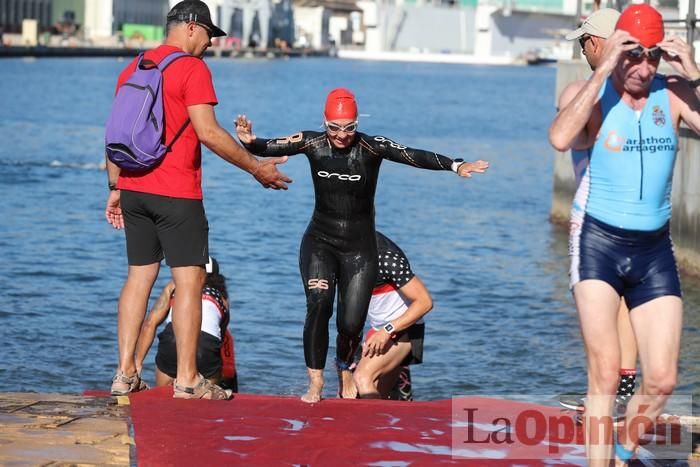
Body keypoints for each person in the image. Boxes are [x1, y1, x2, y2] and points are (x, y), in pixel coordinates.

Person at [235, 88, 489, 402]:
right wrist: (250, 141)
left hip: (359, 248)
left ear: (357, 123)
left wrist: (455, 165)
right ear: (325, 122)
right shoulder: (312, 142)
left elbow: (412, 155)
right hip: (320, 241)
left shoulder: (371, 146)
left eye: (349, 128)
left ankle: (343, 364)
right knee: (319, 303)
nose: (342, 135)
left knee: (350, 323)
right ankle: (315, 382)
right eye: (334, 127)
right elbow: (270, 144)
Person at [105, 0, 291, 400]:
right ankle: (188, 379)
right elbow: (208, 132)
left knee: (139, 277)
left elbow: (114, 132)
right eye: (209, 34)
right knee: (190, 282)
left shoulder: (135, 66)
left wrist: (115, 187)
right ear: (190, 27)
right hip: (176, 193)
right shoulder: (191, 69)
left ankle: (124, 373)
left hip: (134, 188)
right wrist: (257, 168)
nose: (210, 44)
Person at [549, 4, 700, 464]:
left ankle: (619, 450)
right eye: (634, 55)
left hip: (653, 249)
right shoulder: (588, 94)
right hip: (597, 242)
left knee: (661, 380)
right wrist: (606, 69)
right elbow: (560, 137)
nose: (643, 67)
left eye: (651, 56)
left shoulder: (672, 94)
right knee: (606, 375)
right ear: (617, 49)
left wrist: (692, 72)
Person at [557, 7, 639, 413]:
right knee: (624, 303)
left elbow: (566, 136)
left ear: (597, 42)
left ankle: (603, 393)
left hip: (595, 213)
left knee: (595, 305)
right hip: (640, 213)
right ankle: (623, 388)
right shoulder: (644, 90)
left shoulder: (585, 91)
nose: (585, 49)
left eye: (587, 41)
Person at [133, 257, 238, 391]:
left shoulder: (174, 287)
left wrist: (138, 363)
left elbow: (150, 324)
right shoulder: (222, 299)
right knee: (208, 401)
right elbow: (221, 338)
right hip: (206, 347)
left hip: (173, 341)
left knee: (163, 396)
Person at [352, 231, 431, 400]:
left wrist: (387, 330)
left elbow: (425, 302)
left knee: (362, 378)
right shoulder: (342, 249)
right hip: (378, 329)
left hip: (403, 328)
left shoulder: (385, 256)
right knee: (378, 397)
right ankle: (382, 422)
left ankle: (371, 426)